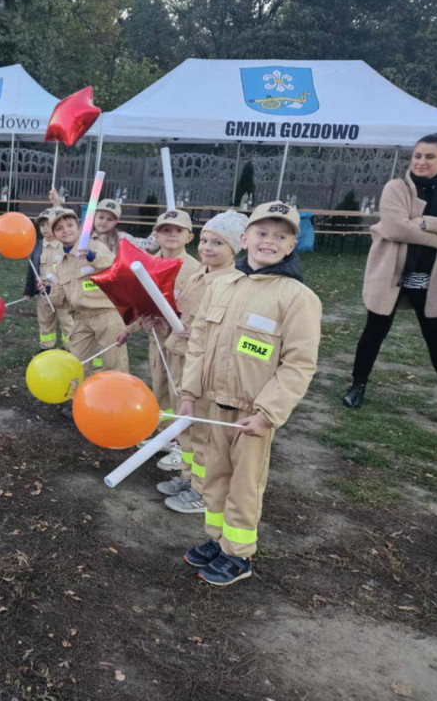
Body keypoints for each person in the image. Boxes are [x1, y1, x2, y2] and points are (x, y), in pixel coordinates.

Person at [179, 202, 321, 586]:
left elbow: (298, 364)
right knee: (212, 476)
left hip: (251, 417)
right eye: (261, 233)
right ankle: (217, 539)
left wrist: (267, 413)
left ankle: (238, 554)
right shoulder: (220, 285)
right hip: (211, 406)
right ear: (244, 239)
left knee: (243, 485)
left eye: (281, 236)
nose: (269, 242)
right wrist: (190, 393)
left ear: (292, 246)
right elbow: (199, 345)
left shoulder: (296, 298)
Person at [344, 133, 437, 408]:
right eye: (417, 155)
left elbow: (407, 227)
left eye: (429, 156)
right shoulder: (396, 187)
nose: (421, 162)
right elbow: (394, 227)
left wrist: (422, 221)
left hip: (433, 278)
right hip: (392, 274)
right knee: (374, 330)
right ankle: (357, 385)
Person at [157, 210, 248, 514]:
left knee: (203, 433)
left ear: (234, 248)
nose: (208, 248)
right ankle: (188, 477)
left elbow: (223, 332)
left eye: (218, 243)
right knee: (186, 426)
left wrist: (192, 331)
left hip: (204, 367)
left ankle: (202, 491)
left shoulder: (234, 283)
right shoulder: (199, 274)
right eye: (206, 240)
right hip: (183, 358)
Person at [121, 210, 201, 469]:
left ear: (189, 236)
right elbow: (140, 301)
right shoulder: (144, 264)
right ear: (155, 234)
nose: (171, 235)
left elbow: (196, 310)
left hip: (182, 344)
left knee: (180, 391)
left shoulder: (196, 271)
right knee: (161, 388)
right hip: (156, 338)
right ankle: (166, 434)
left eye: (178, 231)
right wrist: (131, 328)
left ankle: (182, 444)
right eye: (166, 230)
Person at [39, 209, 128, 374]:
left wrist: (94, 257)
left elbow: (117, 267)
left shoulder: (95, 246)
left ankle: (115, 398)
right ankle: (81, 398)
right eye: (59, 228)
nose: (65, 230)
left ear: (79, 228)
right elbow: (63, 299)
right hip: (80, 319)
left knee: (113, 363)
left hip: (106, 315)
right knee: (76, 364)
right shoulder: (61, 263)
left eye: (70, 225)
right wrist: (49, 290)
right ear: (55, 235)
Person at [25, 207, 67, 349]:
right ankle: (46, 347)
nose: (44, 228)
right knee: (45, 320)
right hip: (43, 291)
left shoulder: (65, 244)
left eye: (48, 224)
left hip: (63, 292)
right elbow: (33, 269)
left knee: (68, 321)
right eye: (42, 225)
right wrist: (29, 290)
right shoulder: (38, 246)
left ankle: (71, 349)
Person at [91, 198, 158, 253]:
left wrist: (159, 231)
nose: (104, 222)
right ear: (94, 217)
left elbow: (146, 245)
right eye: (101, 217)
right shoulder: (84, 236)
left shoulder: (121, 237)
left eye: (109, 219)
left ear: (115, 222)